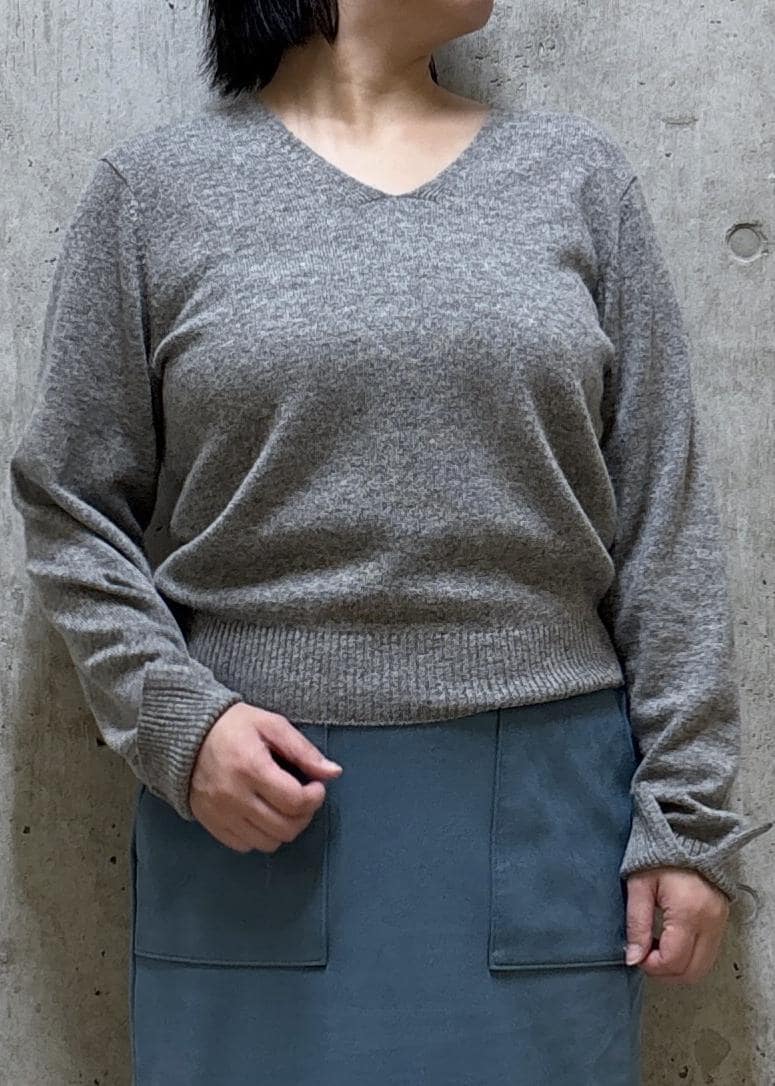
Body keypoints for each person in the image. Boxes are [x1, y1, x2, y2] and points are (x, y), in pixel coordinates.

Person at [9, 1, 773, 1083]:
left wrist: (687, 818)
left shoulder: (578, 179)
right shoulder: (154, 193)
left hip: (542, 816)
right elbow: (71, 502)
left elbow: (664, 514)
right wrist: (178, 722)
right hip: (258, 816)